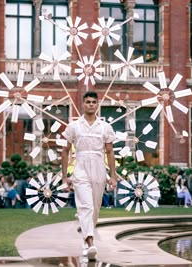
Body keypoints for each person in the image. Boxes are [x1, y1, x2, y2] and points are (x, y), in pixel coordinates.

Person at [61, 91, 117, 261]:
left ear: (97, 104)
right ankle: (91, 242)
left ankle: (86, 240)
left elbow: (110, 151)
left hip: (99, 167)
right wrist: (65, 176)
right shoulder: (73, 126)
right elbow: (65, 150)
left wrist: (112, 176)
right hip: (81, 167)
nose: (91, 104)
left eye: (94, 102)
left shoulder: (105, 127)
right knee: (86, 206)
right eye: (88, 102)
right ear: (83, 104)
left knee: (95, 208)